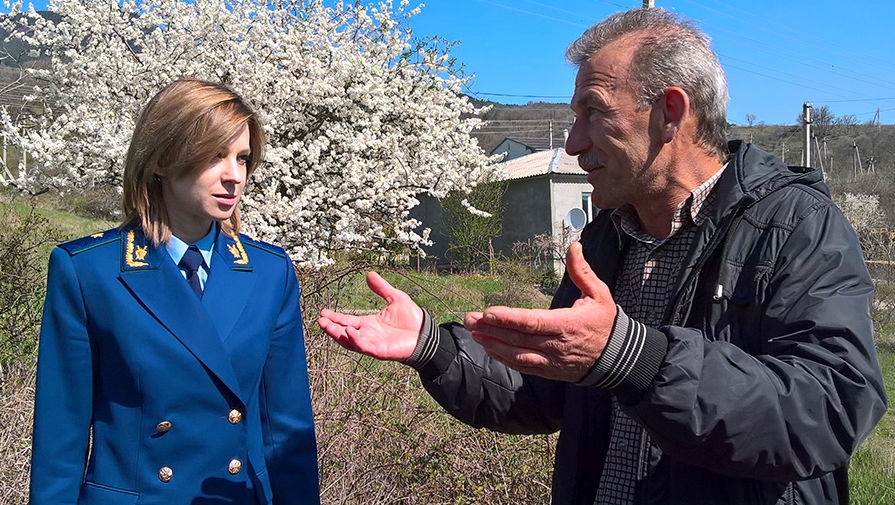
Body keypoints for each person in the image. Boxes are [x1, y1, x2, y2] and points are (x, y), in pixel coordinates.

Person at [319, 8, 887, 505]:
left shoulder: (793, 224)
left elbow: (831, 409)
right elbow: (544, 393)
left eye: (594, 111)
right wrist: (433, 346)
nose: (573, 142)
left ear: (670, 112)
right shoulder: (605, 240)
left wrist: (635, 356)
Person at [30, 79, 319, 505]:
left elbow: (288, 432)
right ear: (164, 157)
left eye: (242, 158)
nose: (233, 176)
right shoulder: (89, 271)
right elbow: (60, 439)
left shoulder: (269, 274)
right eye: (214, 155)